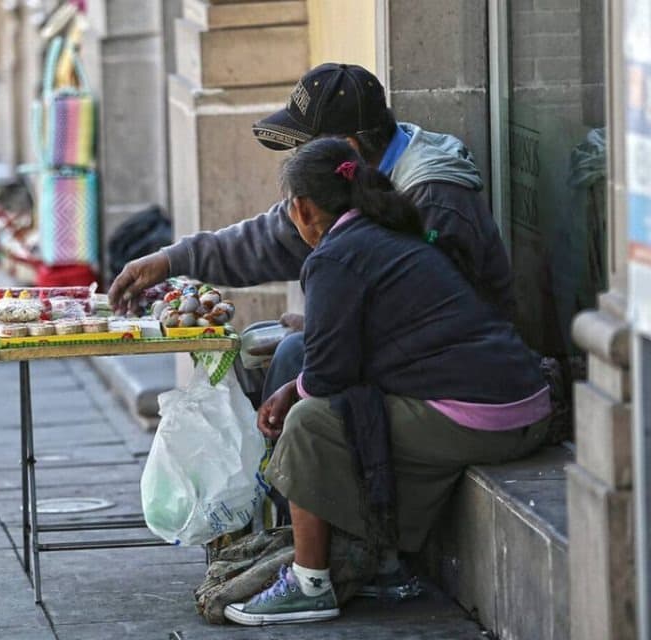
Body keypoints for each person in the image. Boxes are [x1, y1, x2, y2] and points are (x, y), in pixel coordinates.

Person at [220, 138, 550, 626]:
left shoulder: (336, 256)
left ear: (302, 209)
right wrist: (299, 384)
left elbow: (328, 377)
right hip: (523, 405)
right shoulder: (389, 232)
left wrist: (293, 392)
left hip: (486, 416)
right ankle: (384, 564)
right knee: (353, 406)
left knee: (311, 422)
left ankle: (310, 583)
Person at [108, 62, 515, 402]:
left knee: (292, 360)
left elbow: (440, 316)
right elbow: (271, 238)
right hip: (401, 348)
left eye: (303, 149)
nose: (297, 160)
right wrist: (171, 260)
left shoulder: (435, 197)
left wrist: (333, 329)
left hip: (460, 374)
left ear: (347, 148)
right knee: (252, 352)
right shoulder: (350, 179)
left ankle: (297, 494)